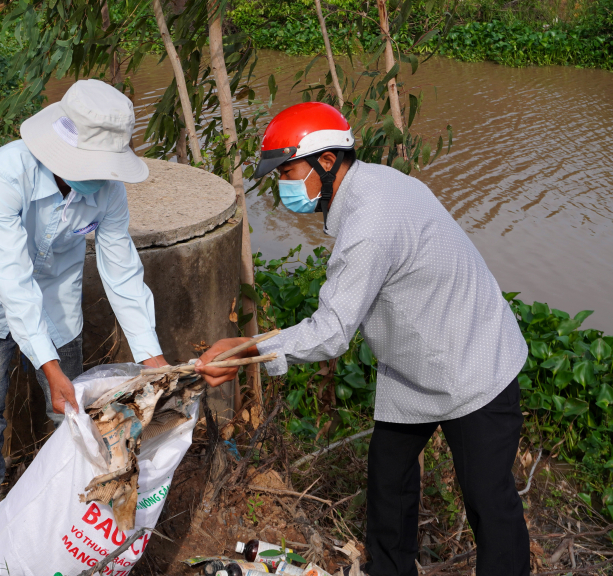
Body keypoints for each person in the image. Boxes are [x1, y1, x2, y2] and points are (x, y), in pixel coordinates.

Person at [195, 102, 530, 576]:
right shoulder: (371, 184)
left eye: (288, 170)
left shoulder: (370, 221)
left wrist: (245, 350)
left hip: (476, 364)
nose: (282, 184)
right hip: (419, 364)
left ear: (326, 162)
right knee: (389, 479)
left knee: (487, 500)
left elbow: (331, 332)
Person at [0, 80, 169, 535]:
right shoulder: (4, 173)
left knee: (66, 418)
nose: (104, 175)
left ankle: (60, 510)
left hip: (58, 307)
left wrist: (153, 360)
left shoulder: (108, 192)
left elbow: (122, 272)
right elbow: (12, 277)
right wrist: (50, 369)